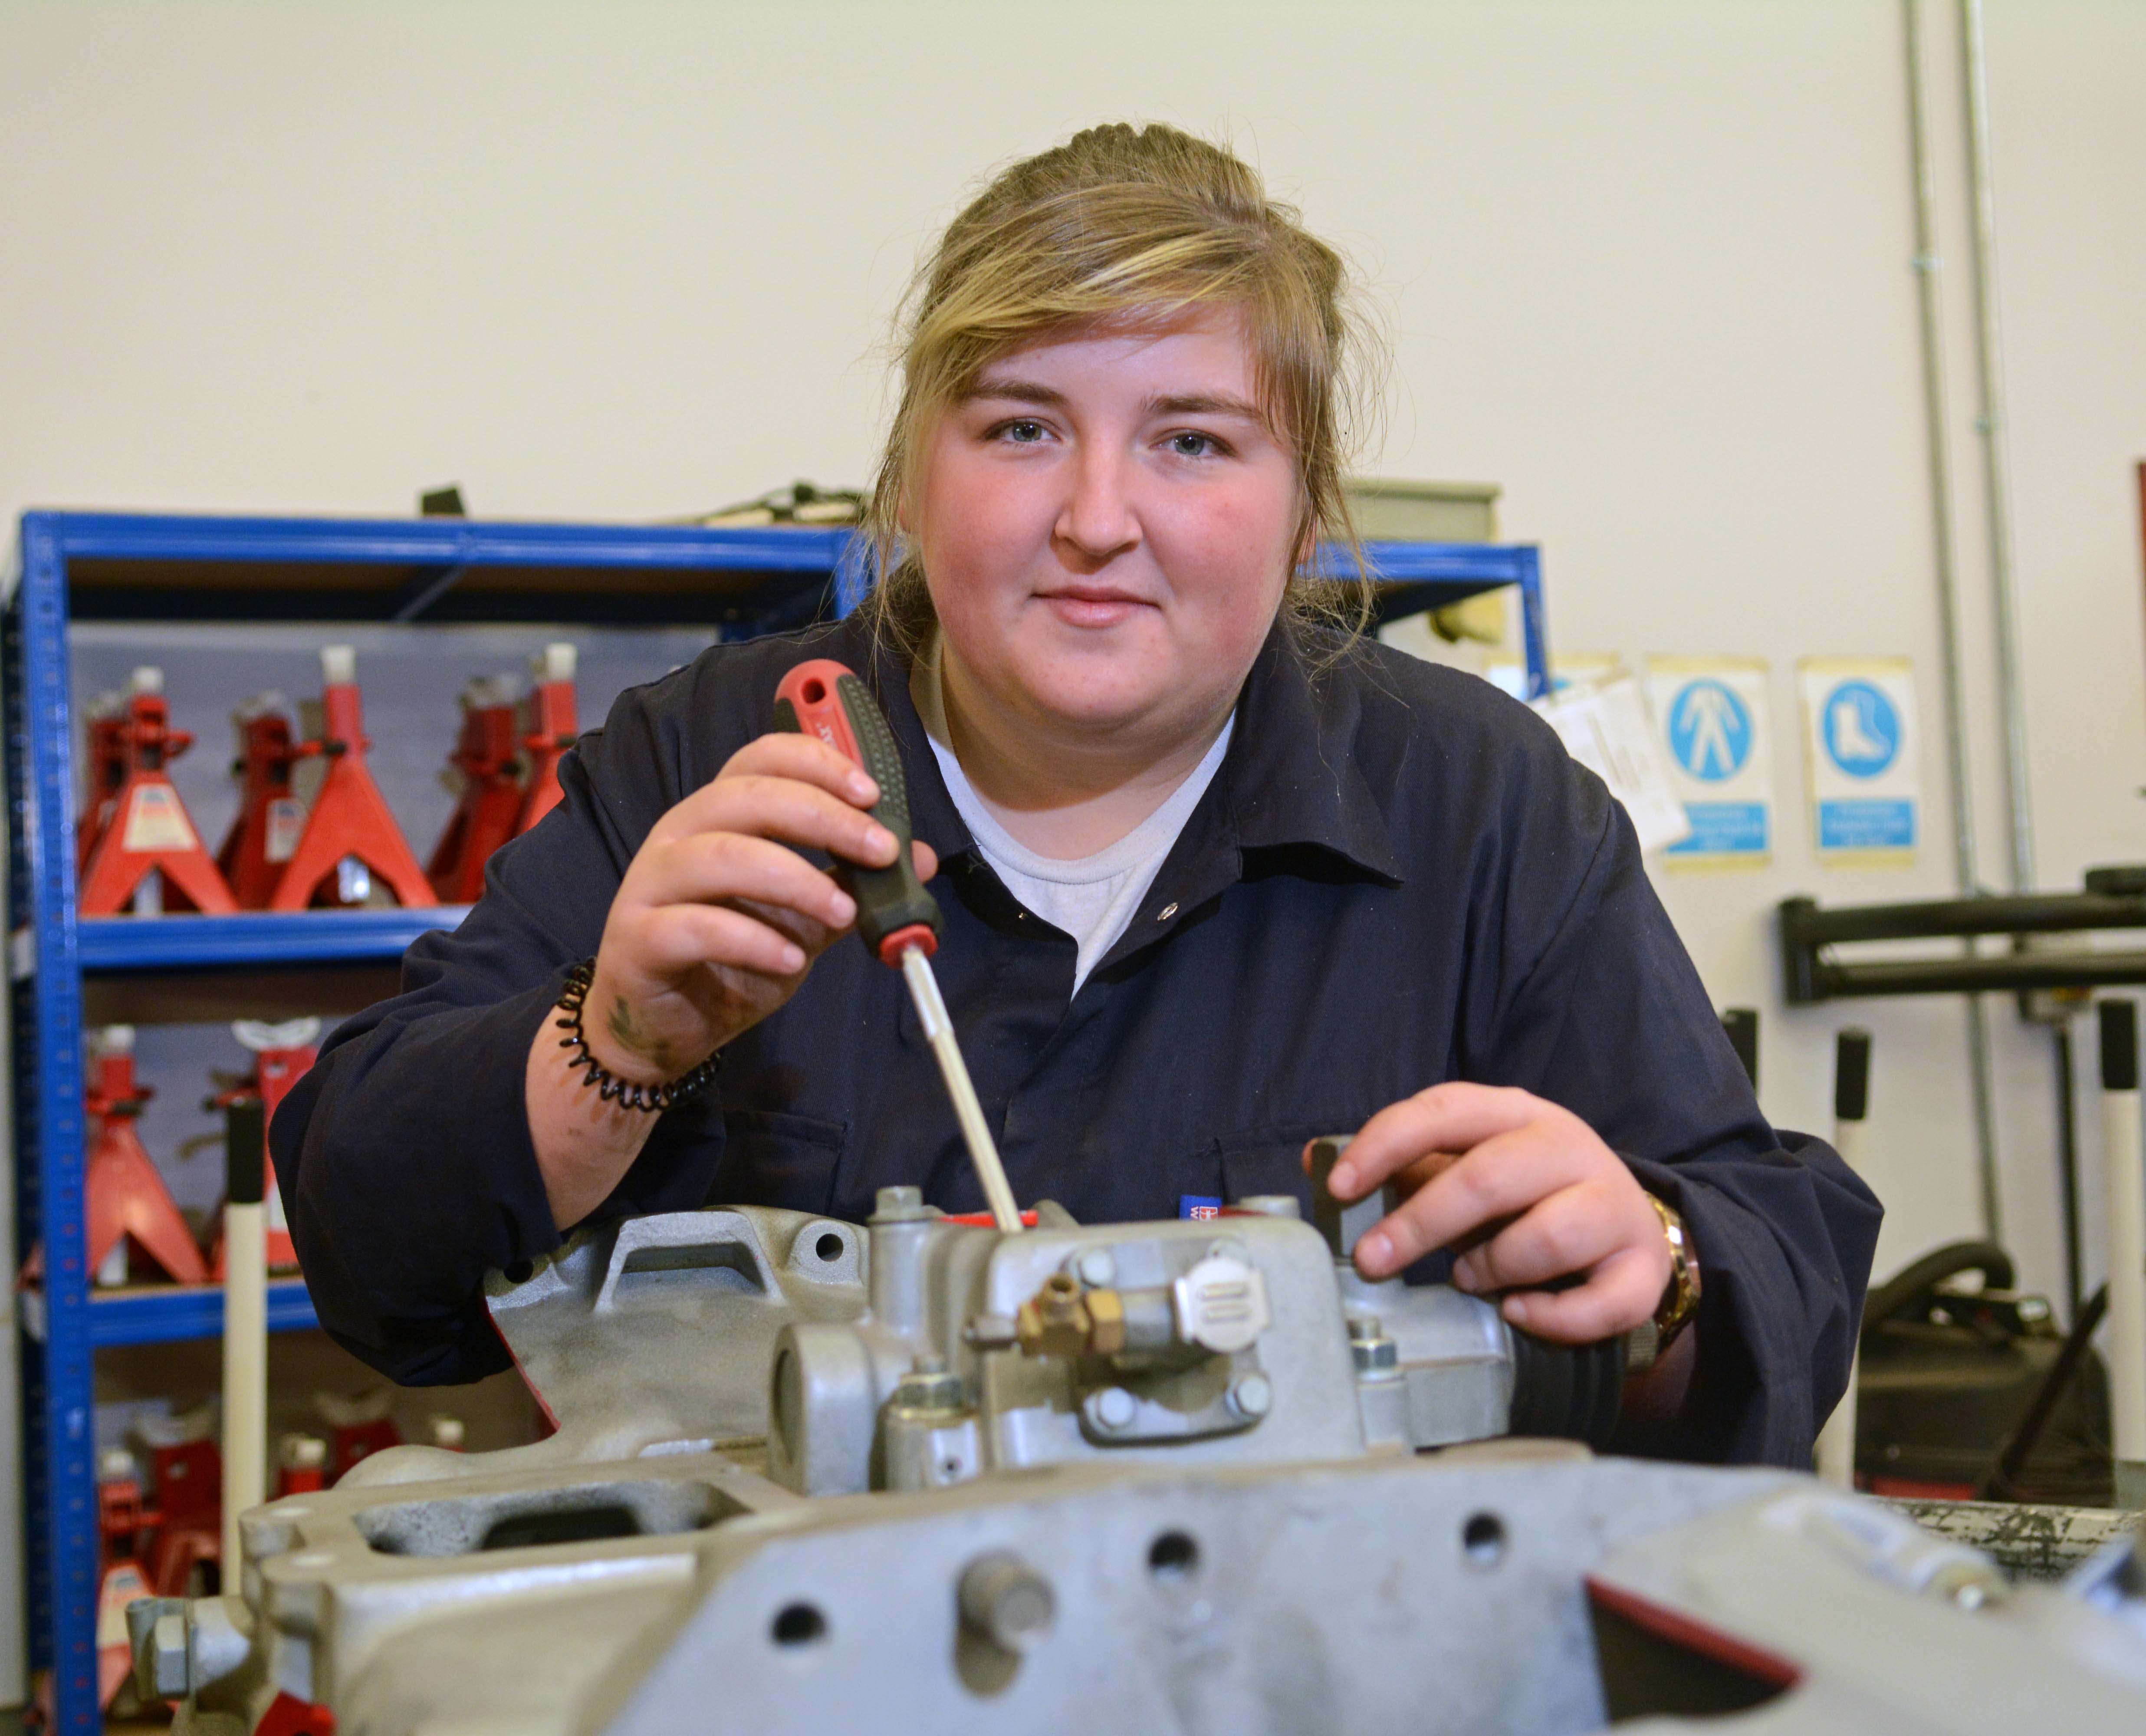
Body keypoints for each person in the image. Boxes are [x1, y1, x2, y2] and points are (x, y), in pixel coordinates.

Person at [275, 122, 1879, 1467]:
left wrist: (1655, 1268)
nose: (1097, 518)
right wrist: (609, 1046)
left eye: (1190, 441)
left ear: (1302, 503)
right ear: (914, 471)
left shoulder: (1478, 799)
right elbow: (374, 1261)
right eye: (1023, 427)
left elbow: (1777, 1278)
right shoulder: (714, 752)